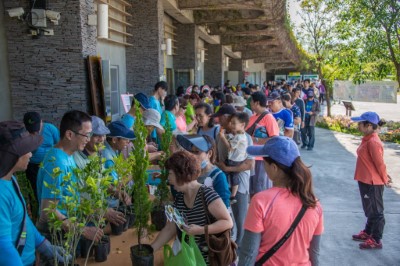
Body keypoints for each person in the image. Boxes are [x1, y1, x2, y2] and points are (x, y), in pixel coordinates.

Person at [239, 136, 324, 265]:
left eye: (264, 162)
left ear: (274, 167)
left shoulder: (261, 201)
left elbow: (249, 252)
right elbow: (315, 253)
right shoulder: (314, 203)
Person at [0, 121, 70, 266]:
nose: (31, 154)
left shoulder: (10, 178)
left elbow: (22, 219)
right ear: (13, 155)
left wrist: (43, 244)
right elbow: (3, 246)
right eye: (26, 150)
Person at [151, 151, 233, 264]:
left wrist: (201, 230)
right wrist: (150, 249)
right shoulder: (179, 198)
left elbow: (227, 222)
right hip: (188, 258)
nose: (168, 179)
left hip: (207, 259)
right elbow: (170, 228)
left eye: (170, 174)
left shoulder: (206, 194)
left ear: (181, 173)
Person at [36, 111, 103, 243]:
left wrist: (100, 211)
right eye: (86, 135)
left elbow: (70, 195)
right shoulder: (56, 163)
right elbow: (47, 212)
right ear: (69, 134)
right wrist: (83, 230)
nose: (88, 139)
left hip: (68, 229)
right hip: (55, 235)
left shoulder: (68, 155)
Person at [212, 104, 255, 249]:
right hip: (223, 183)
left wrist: (228, 168)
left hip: (240, 185)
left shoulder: (246, 138)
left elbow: (250, 164)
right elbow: (218, 156)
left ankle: (238, 249)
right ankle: (226, 247)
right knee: (225, 217)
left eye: (221, 118)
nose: (219, 121)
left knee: (239, 218)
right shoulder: (221, 134)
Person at [72, 116, 126, 227]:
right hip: (81, 222)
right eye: (97, 136)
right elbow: (74, 197)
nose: (102, 139)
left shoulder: (98, 154)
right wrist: (103, 211)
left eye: (104, 135)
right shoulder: (75, 159)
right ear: (87, 137)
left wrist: (116, 191)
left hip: (97, 214)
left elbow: (101, 181)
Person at [350, 112, 391, 249]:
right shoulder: (367, 139)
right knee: (370, 209)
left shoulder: (373, 142)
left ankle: (376, 239)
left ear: (368, 125)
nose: (358, 126)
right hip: (365, 180)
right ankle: (368, 232)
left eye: (360, 124)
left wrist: (385, 178)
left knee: (377, 211)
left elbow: (380, 163)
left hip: (372, 182)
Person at [176, 134, 231, 208]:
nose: (193, 156)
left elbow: (224, 208)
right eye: (191, 152)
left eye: (197, 152)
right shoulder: (190, 173)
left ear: (209, 154)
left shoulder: (218, 176)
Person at [247, 92, 279, 195]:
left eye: (251, 102)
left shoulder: (268, 118)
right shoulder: (252, 117)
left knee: (260, 188)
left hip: (261, 158)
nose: (250, 104)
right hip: (250, 157)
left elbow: (274, 138)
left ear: (256, 103)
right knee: (251, 189)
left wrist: (255, 140)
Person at [23, 111, 60, 201]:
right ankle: (37, 211)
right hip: (33, 166)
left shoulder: (50, 129)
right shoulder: (23, 133)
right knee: (35, 191)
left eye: (36, 128)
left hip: (50, 165)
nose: (34, 131)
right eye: (31, 129)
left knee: (52, 189)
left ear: (41, 122)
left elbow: (59, 144)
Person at [217, 112, 250, 204]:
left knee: (225, 173)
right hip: (237, 160)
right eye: (231, 122)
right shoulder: (241, 135)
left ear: (242, 125)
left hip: (234, 161)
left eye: (234, 123)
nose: (231, 125)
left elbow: (230, 147)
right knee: (233, 177)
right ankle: (232, 195)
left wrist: (222, 137)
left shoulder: (239, 137)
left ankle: (230, 194)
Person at [102, 121, 134, 208]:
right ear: (114, 140)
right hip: (110, 205)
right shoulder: (108, 158)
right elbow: (117, 184)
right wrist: (134, 172)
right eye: (125, 139)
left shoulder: (113, 150)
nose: (128, 142)